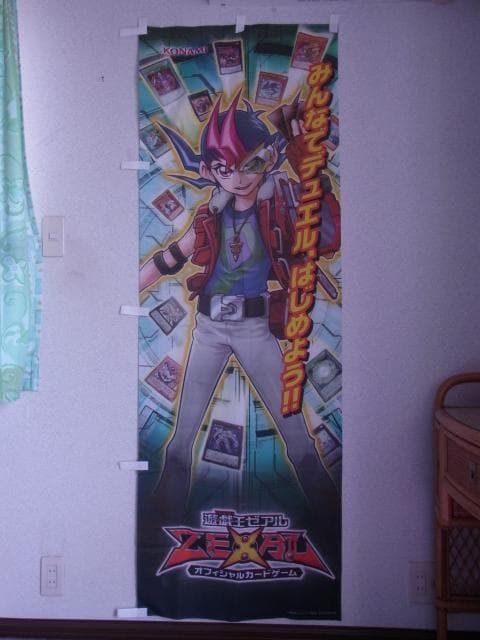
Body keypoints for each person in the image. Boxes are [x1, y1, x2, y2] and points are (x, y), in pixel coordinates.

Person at [140, 93, 339, 559]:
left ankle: (332, 526)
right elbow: (171, 258)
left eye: (250, 163)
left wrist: (311, 175)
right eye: (225, 168)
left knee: (298, 439)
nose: (239, 176)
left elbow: (328, 236)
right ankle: (156, 535)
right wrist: (126, 289)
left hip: (254, 329)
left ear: (267, 159)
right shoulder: (209, 216)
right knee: (181, 439)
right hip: (209, 329)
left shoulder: (281, 205)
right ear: (212, 171)